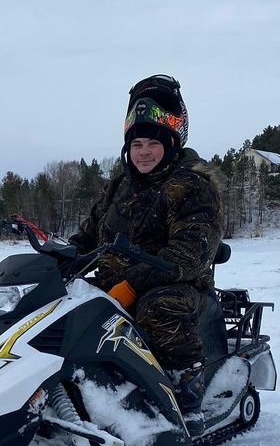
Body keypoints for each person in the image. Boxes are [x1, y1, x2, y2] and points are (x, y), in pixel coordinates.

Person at [68, 74, 222, 411]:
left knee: (160, 305)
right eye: (137, 145)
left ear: (171, 144)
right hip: (117, 286)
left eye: (153, 144)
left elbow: (190, 252)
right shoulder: (118, 187)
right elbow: (87, 237)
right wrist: (61, 259)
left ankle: (184, 386)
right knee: (64, 306)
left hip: (178, 286)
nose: (144, 152)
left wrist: (134, 284)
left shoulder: (191, 186)